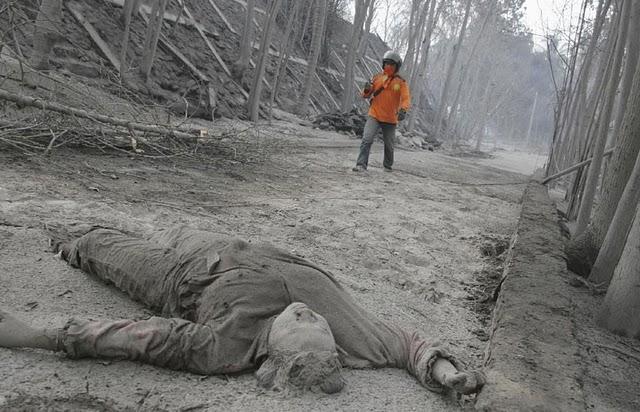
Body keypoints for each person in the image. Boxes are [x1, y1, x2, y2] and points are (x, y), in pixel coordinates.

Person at [0, 225, 485, 396]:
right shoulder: (356, 335)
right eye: (316, 320)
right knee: (173, 225)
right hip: (226, 240)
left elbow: (139, 337)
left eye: (300, 324)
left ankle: (65, 240)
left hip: (180, 276)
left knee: (100, 247)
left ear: (272, 353)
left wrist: (38, 335)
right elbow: (410, 347)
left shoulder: (222, 348)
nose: (307, 313)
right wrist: (444, 374)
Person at [352, 50, 411, 173]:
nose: (388, 66)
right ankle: (361, 165)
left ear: (397, 67)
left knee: (389, 145)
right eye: (387, 63)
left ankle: (387, 166)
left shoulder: (400, 82)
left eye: (392, 64)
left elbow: (406, 98)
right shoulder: (377, 78)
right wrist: (367, 89)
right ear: (383, 64)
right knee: (366, 139)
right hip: (375, 114)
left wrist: (403, 110)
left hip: (390, 119)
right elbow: (366, 95)